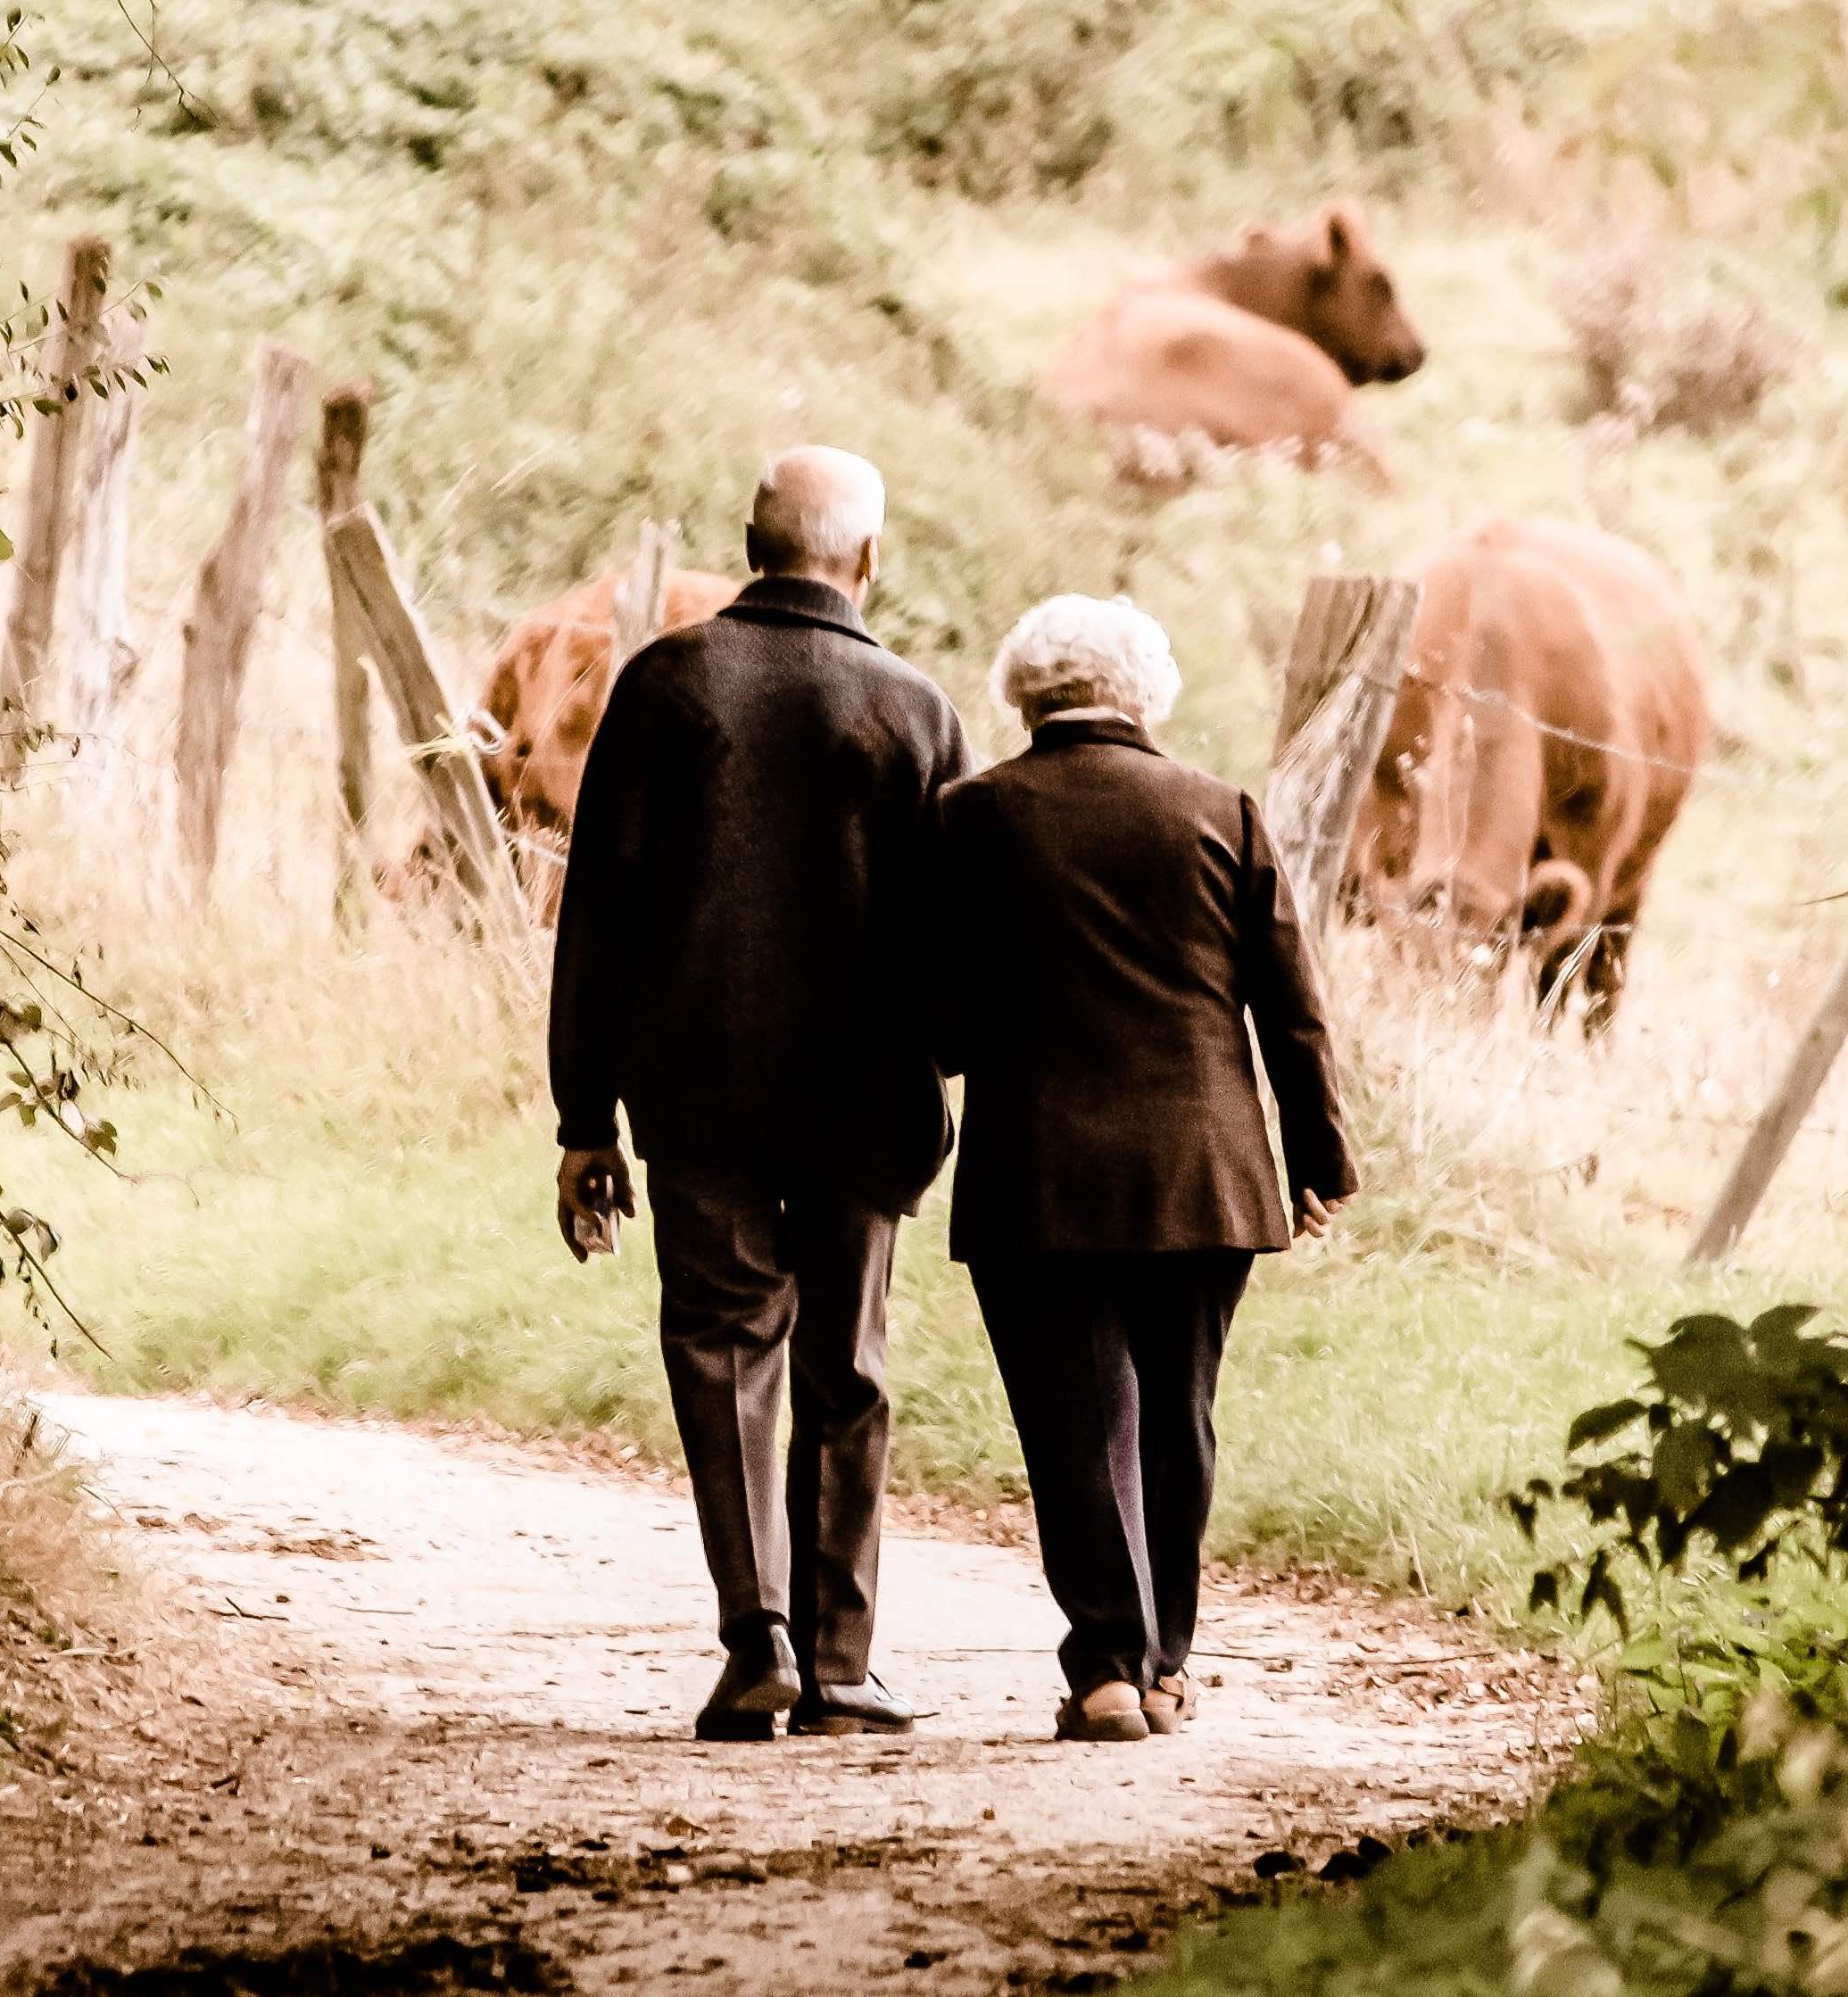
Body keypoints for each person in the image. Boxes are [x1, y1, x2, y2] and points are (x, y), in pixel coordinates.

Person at [548, 446, 968, 1741]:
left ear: (748, 540)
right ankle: (844, 1664)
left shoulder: (667, 685)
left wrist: (584, 1119)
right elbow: (956, 933)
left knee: (725, 1351)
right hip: (864, 1093)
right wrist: (941, 1067)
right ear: (869, 560)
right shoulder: (913, 708)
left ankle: (758, 1641)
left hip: (698, 1084)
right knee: (847, 1361)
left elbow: (597, 917)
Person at [927, 595, 1356, 1743]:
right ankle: (1166, 1665)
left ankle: (1106, 1669)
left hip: (1038, 1173)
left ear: (1024, 693)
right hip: (1207, 1170)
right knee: (1179, 1413)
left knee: (1075, 1422)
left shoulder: (970, 819)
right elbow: (1293, 1011)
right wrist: (1318, 1156)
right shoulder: (1222, 812)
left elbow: (946, 1022)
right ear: (1147, 693)